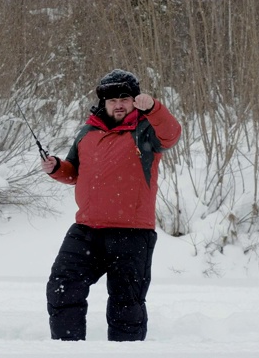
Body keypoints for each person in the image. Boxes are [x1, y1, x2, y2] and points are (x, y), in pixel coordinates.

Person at [41, 69, 181, 341]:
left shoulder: (147, 130)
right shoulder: (87, 132)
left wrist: (153, 107)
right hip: (87, 230)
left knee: (126, 304)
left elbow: (172, 135)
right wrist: (56, 167)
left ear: (134, 100)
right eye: (112, 99)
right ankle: (68, 349)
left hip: (132, 233)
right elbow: (74, 173)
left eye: (125, 98)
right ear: (103, 103)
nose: (119, 104)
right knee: (62, 286)